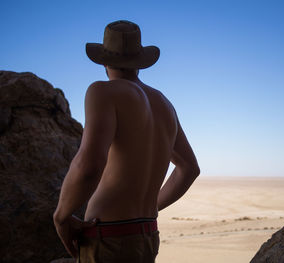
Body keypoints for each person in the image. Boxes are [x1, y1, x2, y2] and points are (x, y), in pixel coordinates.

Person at [53, 20, 200, 263]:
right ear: (140, 61)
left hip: (107, 238)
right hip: (147, 236)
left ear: (102, 60)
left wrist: (61, 216)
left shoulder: (102, 91)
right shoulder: (164, 104)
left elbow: (89, 165)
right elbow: (189, 169)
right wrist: (151, 208)